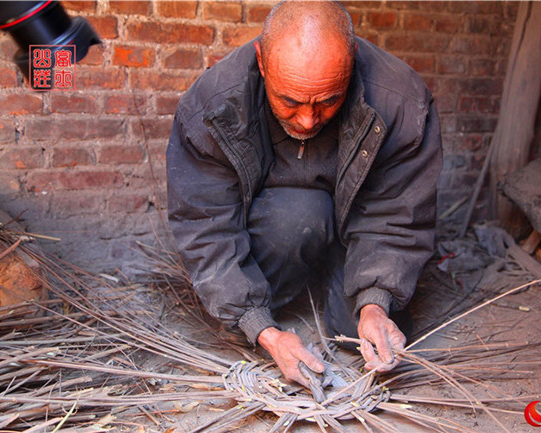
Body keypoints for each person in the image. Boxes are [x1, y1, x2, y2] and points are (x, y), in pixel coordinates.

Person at [166, 0, 442, 388]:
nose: (309, 119)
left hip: (355, 232)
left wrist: (377, 303)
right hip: (279, 230)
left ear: (353, 59)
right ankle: (271, 304)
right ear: (262, 62)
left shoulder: (402, 103)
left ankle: (348, 290)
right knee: (298, 215)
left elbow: (398, 212)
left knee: (361, 332)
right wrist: (263, 330)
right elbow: (205, 226)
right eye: (290, 101)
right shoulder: (213, 106)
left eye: (329, 99)